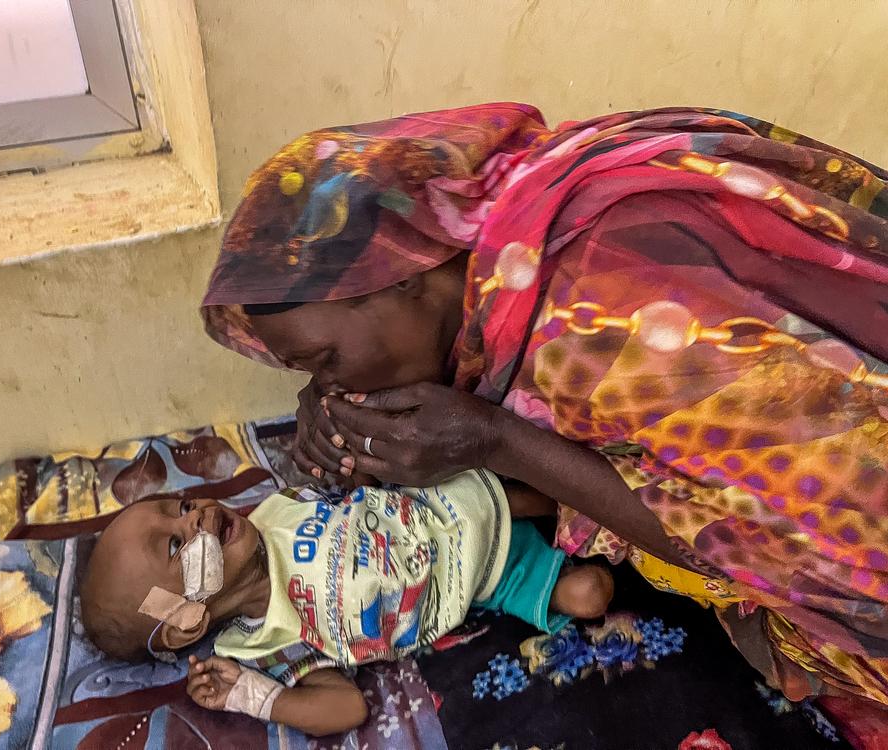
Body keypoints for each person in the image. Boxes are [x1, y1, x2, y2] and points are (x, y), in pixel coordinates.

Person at [200, 103, 888, 713]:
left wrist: (497, 444)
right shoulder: (525, 212)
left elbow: (787, 546)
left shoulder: (601, 316)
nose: (332, 392)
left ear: (400, 275)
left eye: (323, 363)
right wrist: (324, 392)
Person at [79, 472, 612, 736]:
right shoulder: (268, 644)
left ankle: (599, 494)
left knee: (564, 488)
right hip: (482, 578)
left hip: (447, 500)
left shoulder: (277, 509)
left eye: (181, 504)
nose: (192, 516)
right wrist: (256, 698)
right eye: (174, 545)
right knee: (589, 595)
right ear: (182, 623)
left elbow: (355, 491)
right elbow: (347, 707)